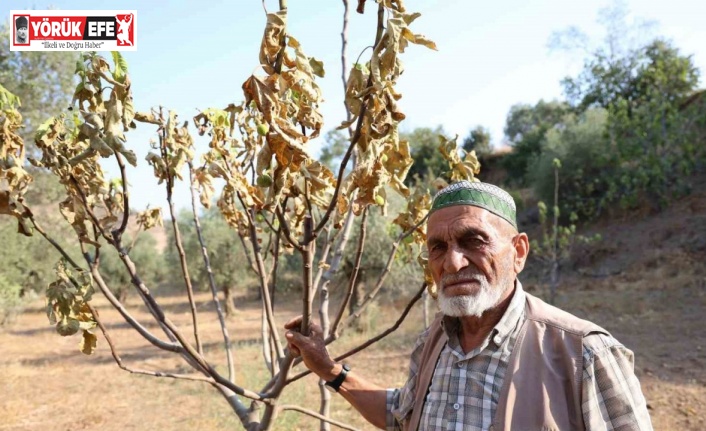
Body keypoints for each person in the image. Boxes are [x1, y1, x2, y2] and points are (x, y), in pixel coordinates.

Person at [285, 181, 653, 430]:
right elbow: (402, 416)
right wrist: (327, 368)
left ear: (519, 251)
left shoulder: (584, 353)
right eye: (438, 248)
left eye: (473, 241)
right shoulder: (434, 342)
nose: (452, 263)